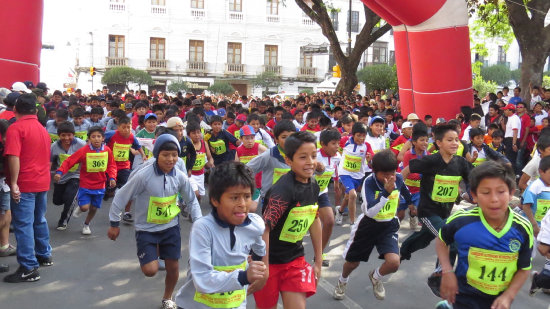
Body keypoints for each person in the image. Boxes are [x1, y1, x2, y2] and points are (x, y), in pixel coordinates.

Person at [108, 134, 202, 309]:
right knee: (150, 271)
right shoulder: (144, 175)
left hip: (171, 227)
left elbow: (192, 200)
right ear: (157, 154)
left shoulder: (180, 176)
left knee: (173, 267)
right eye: (165, 154)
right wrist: (114, 223)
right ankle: (154, 250)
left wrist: (200, 224)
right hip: (146, 229)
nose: (170, 159)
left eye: (174, 155)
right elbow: (121, 195)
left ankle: (168, 298)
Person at [437, 161, 533, 308]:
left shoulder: (523, 228)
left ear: (511, 193)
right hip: (463, 297)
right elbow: (441, 240)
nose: (494, 199)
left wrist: (509, 296)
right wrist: (447, 271)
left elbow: (524, 268)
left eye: (501, 192)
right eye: (486, 192)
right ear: (474, 195)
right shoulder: (461, 221)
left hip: (497, 302)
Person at [175, 162, 267, 308]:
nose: (242, 204)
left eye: (247, 196)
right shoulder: (203, 229)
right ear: (215, 200)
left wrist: (257, 263)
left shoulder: (255, 224)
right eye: (234, 197)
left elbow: (259, 248)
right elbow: (202, 280)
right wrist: (244, 276)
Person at [253, 131, 322, 309]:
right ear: (288, 161)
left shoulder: (313, 184)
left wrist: (319, 261)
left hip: (294, 260)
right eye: (303, 157)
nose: (310, 162)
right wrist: (265, 267)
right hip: (269, 263)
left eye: (313, 156)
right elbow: (264, 230)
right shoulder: (282, 191)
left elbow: (314, 220)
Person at [334, 150, 412, 301]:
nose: (390, 178)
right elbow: (370, 211)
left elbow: (405, 191)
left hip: (388, 225)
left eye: (392, 173)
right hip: (368, 226)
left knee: (394, 262)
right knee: (352, 263)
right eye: (385, 174)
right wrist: (385, 193)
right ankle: (342, 281)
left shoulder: (399, 178)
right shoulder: (369, 182)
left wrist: (411, 205)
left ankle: (376, 277)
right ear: (375, 171)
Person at [400, 123, 473, 283]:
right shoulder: (430, 160)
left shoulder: (460, 163)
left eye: (456, 140)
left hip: (445, 212)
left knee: (424, 237)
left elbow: (474, 180)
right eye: (450, 140)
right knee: (450, 239)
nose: (455, 143)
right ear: (439, 143)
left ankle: (402, 252)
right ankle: (439, 277)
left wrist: (472, 195)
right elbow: (406, 170)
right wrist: (397, 189)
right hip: (427, 211)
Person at [3, 93, 52, 283]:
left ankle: (29, 267)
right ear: (35, 110)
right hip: (41, 181)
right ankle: (43, 255)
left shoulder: (16, 128)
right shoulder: (42, 129)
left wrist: (14, 183)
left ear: (15, 109)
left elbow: (13, 156)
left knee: (23, 224)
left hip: (25, 182)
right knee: (38, 219)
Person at [54, 126, 117, 234]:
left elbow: (111, 165)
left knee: (93, 208)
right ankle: (81, 207)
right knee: (84, 207)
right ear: (89, 139)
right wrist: (60, 172)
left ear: (103, 138)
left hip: (100, 184)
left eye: (99, 136)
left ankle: (86, 225)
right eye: (93, 136)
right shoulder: (84, 150)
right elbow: (70, 161)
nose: (96, 139)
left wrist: (112, 177)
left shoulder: (107, 150)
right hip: (85, 184)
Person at [104, 116, 147, 221]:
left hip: (124, 167)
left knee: (128, 188)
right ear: (118, 127)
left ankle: (127, 213)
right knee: (108, 190)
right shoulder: (111, 134)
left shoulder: (132, 137)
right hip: (110, 166)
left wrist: (143, 155)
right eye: (124, 127)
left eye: (129, 127)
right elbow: (99, 138)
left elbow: (138, 146)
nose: (127, 130)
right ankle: (109, 192)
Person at [246, 120, 296, 208]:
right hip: (270, 201)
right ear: (276, 139)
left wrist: (320, 170)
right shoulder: (269, 155)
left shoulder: (298, 154)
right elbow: (247, 169)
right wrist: (250, 188)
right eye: (284, 137)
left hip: (291, 199)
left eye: (291, 136)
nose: (288, 140)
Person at [335, 122, 374, 226]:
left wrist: (370, 161)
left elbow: (371, 165)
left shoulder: (367, 146)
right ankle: (353, 223)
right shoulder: (345, 141)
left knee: (348, 196)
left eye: (363, 136)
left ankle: (340, 211)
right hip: (345, 173)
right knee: (353, 194)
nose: (361, 138)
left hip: (358, 175)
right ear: (353, 134)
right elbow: (335, 144)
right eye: (358, 136)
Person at [50, 121, 86, 230]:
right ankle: (69, 200)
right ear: (59, 135)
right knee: (57, 201)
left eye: (69, 135)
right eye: (63, 135)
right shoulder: (54, 146)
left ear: (73, 135)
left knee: (70, 198)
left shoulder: (81, 144)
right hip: (60, 177)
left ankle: (63, 220)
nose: (66, 138)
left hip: (76, 176)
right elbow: (51, 162)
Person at [315, 128, 341, 267]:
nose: (337, 146)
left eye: (338, 143)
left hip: (321, 193)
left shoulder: (338, 156)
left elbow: (336, 171)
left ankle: (319, 253)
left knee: (330, 221)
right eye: (333, 143)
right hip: (305, 194)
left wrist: (336, 183)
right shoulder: (314, 155)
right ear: (323, 144)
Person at [235, 125, 267, 211]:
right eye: (247, 138)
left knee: (252, 208)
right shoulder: (239, 150)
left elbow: (270, 157)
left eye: (252, 138)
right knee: (243, 206)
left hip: (257, 183)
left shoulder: (259, 147)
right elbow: (236, 167)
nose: (250, 141)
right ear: (241, 139)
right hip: (244, 183)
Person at [187, 121, 214, 201]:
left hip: (201, 174)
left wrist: (210, 163)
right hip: (190, 174)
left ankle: (191, 209)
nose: (197, 135)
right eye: (194, 133)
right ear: (189, 135)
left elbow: (210, 157)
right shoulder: (188, 144)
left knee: (200, 196)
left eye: (198, 132)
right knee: (196, 194)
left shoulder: (204, 143)